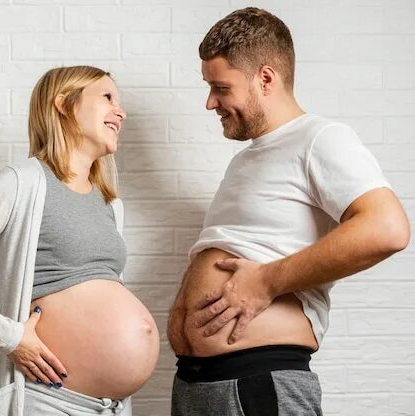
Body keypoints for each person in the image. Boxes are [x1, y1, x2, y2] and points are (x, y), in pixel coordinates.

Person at [167, 7, 410, 416]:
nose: (211, 102)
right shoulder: (247, 159)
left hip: (259, 382)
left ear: (265, 78)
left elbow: (387, 228)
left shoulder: (320, 138)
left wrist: (265, 281)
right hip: (200, 385)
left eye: (220, 87)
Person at [0, 66, 159, 416]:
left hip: (110, 407)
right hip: (48, 401)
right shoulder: (22, 183)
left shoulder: (109, 203)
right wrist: (9, 336)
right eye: (107, 97)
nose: (121, 111)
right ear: (64, 104)